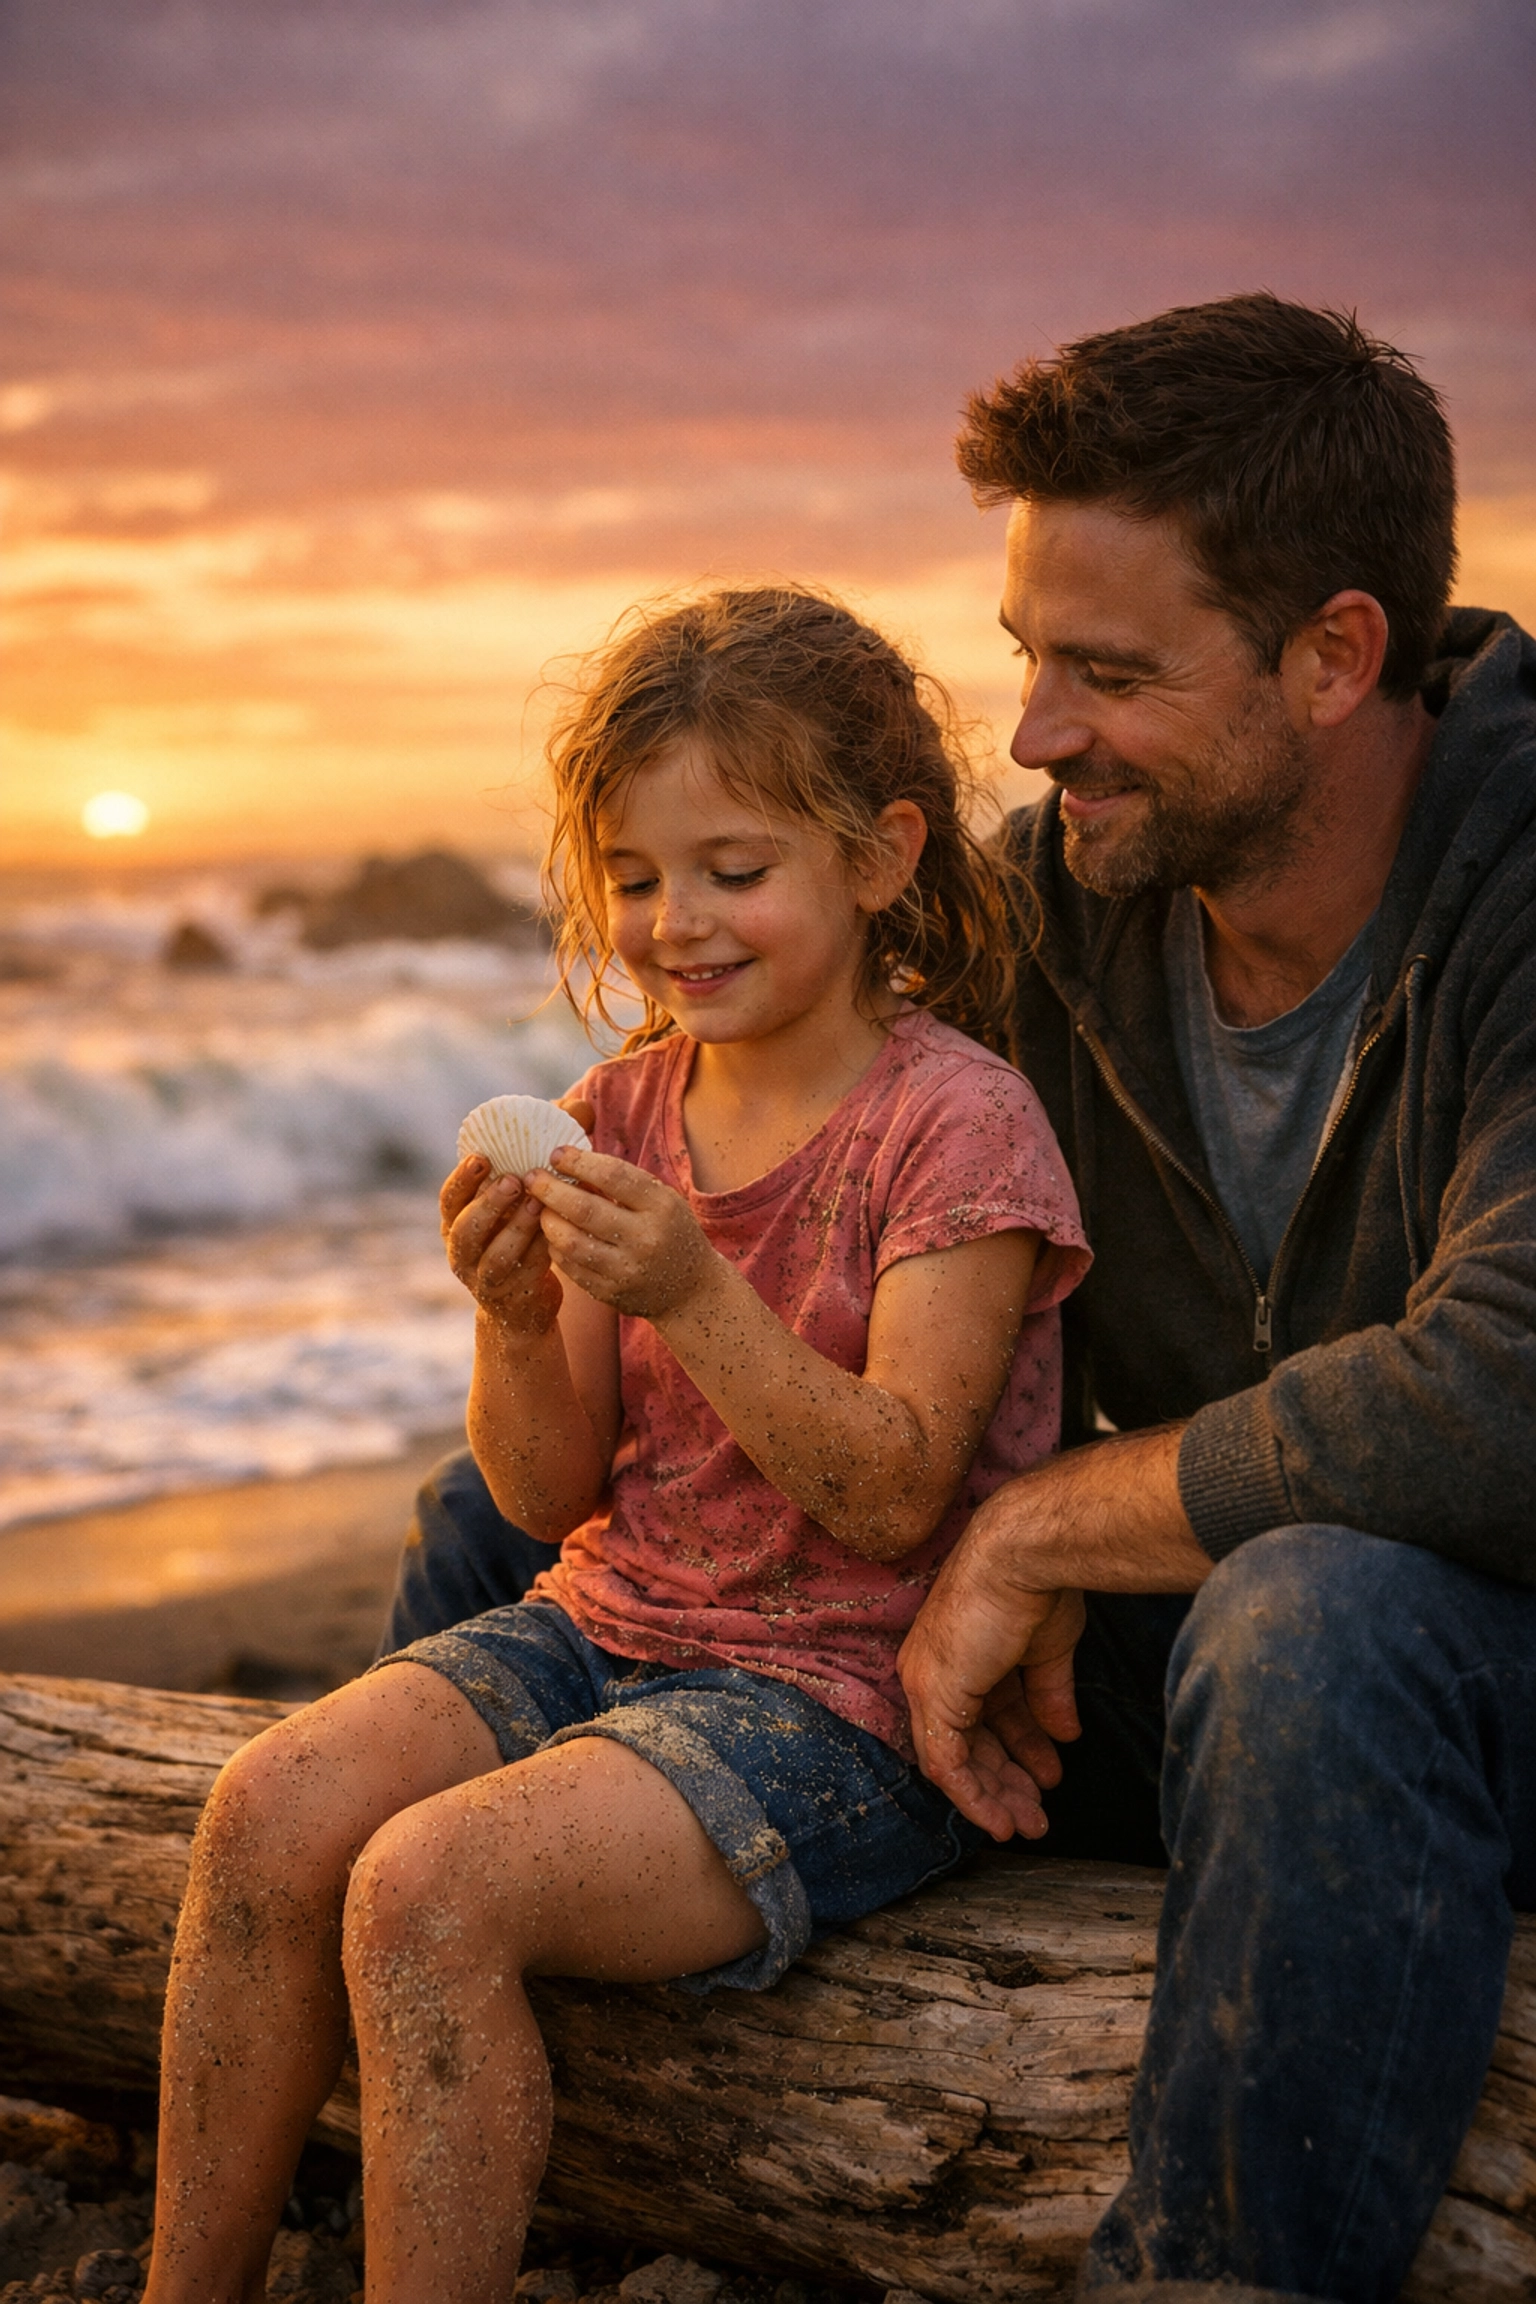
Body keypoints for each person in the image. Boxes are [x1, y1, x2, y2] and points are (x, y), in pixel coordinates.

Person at [389, 297, 1536, 2303]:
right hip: (1149, 1677)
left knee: (1313, 1606)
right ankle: (427, 2054)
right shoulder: (1069, 904)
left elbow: (1506, 1393)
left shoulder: (1522, 895)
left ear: (1337, 655)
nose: (1031, 733)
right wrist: (562, 1255)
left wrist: (1036, 1523)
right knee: (507, 1512)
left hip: (1455, 1675)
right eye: (1026, 658)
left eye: (1107, 672)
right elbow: (828, 1080)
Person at [143, 586, 1089, 2303]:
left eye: (734, 871)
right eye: (637, 880)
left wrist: (693, 1284)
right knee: (267, 1809)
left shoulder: (954, 1126)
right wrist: (511, 1319)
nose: (676, 924)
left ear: (881, 858)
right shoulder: (620, 1110)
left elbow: (891, 1494)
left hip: (848, 1697)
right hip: (609, 1625)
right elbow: (541, 1497)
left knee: (428, 1892)